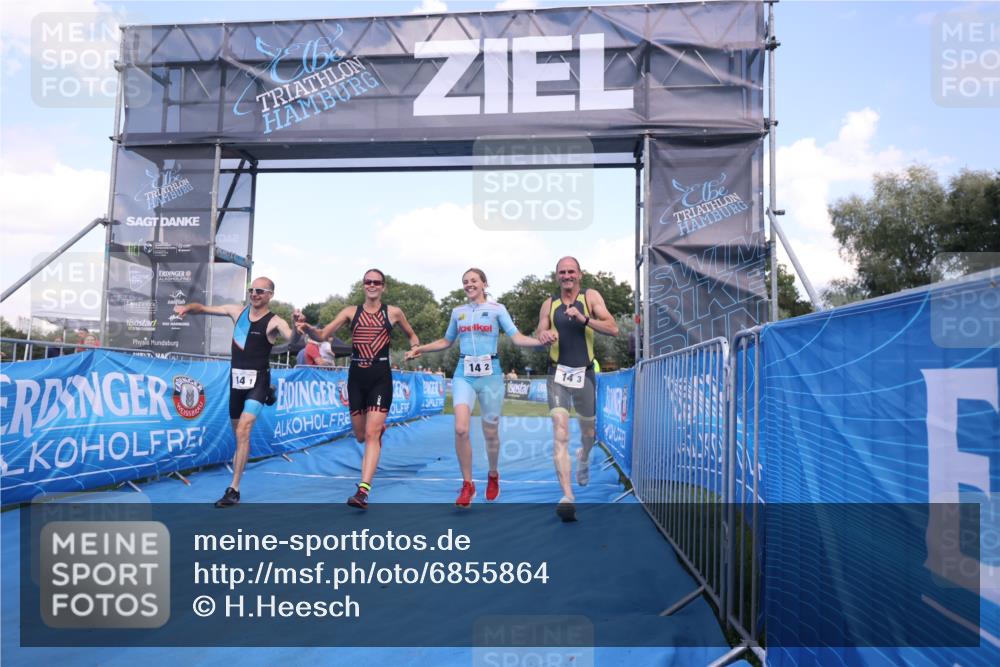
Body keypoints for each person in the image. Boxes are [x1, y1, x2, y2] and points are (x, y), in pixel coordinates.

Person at [406, 268, 543, 507]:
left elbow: (517, 337)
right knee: (460, 429)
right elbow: (446, 341)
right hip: (463, 374)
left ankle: (492, 475)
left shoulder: (497, 310)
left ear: (484, 284)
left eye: (473, 281)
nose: (469, 285)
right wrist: (421, 348)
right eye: (465, 282)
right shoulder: (457, 312)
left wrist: (540, 343)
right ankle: (467, 484)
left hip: (491, 375)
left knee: (490, 432)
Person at [298, 269, 420, 509]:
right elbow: (322, 335)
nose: (372, 285)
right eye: (368, 282)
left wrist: (415, 347)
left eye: (377, 282)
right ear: (363, 285)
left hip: (380, 376)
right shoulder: (349, 312)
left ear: (383, 287)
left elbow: (412, 335)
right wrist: (307, 327)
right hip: (356, 377)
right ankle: (377, 428)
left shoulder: (394, 312)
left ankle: (363, 491)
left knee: (372, 434)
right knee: (361, 436)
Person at [173, 276, 293, 507]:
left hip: (258, 379)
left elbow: (292, 338)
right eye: (252, 290)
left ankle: (234, 488)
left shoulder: (274, 321)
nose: (254, 294)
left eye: (260, 290)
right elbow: (205, 308)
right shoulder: (236, 312)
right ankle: (269, 393)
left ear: (270, 295)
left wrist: (298, 327)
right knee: (237, 435)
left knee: (244, 431)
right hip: (236, 381)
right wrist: (189, 307)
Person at [535, 257, 619, 521]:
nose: (567, 275)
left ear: (580, 275)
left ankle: (584, 457)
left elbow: (613, 328)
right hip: (557, 373)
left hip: (584, 374)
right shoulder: (549, 303)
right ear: (556, 276)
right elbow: (540, 331)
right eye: (562, 272)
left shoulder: (590, 296)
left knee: (588, 434)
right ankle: (568, 496)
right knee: (560, 431)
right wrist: (543, 335)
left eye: (571, 271)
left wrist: (584, 319)